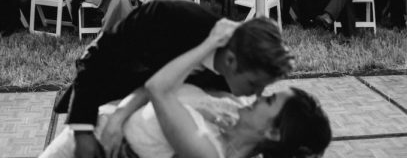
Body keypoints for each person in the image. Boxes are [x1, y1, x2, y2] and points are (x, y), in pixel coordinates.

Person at [43, 17, 331, 158]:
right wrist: (119, 114)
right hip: (97, 126)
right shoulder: (236, 108)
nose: (257, 97)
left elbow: (159, 88)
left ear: (272, 131)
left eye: (268, 101)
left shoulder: (210, 153)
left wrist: (210, 42)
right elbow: (153, 87)